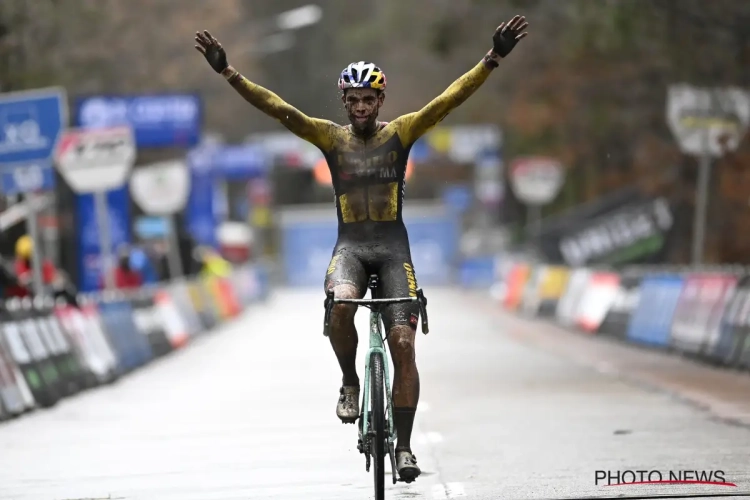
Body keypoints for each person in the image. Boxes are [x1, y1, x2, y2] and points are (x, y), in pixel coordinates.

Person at [195, 15, 529, 482]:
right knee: (340, 306)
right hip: (350, 247)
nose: (360, 107)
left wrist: (491, 60)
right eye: (353, 100)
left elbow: (448, 101)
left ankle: (407, 449)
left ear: (380, 100)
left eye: (368, 99)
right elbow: (276, 108)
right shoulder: (330, 138)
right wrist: (228, 72)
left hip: (393, 249)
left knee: (404, 345)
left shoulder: (403, 132)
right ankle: (351, 381)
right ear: (344, 102)